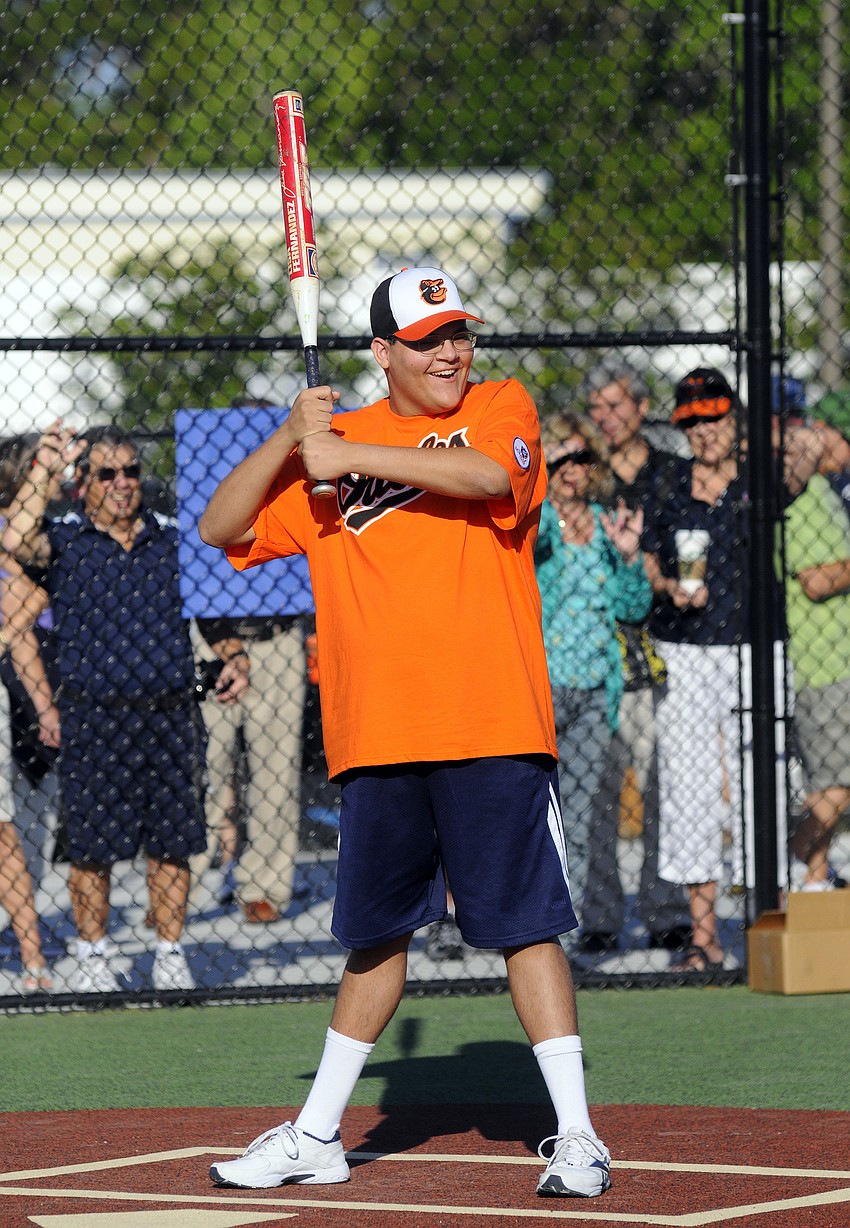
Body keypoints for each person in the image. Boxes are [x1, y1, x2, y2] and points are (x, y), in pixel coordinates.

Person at [200, 266, 611, 1199]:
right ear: (383, 352)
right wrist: (294, 437)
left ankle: (578, 1135)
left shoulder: (502, 404)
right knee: (377, 937)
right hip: (377, 732)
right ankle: (316, 1135)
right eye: (428, 340)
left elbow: (485, 475)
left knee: (526, 924)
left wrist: (354, 460)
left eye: (458, 333)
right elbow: (221, 525)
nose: (451, 352)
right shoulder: (333, 446)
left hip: (489, 716)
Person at [3, 423, 249, 994]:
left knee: (173, 842)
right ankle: (93, 953)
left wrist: (233, 654)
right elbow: (15, 538)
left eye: (131, 471)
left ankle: (168, 951)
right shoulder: (64, 543)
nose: (122, 483)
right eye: (107, 473)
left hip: (169, 714)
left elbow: (209, 614)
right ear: (81, 483)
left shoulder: (171, 540)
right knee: (90, 847)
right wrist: (45, 465)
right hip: (92, 716)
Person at [580, 357, 691, 953]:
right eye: (598, 409)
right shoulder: (587, 476)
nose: (606, 418)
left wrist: (660, 574)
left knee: (657, 788)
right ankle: (599, 915)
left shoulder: (671, 473)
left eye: (617, 406)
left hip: (655, 651)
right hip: (597, 656)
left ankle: (664, 908)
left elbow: (692, 551)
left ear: (642, 409)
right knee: (598, 790)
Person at [641, 368, 748, 973]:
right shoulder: (670, 482)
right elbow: (654, 561)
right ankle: (703, 936)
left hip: (757, 642)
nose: (706, 430)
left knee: (760, 776)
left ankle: (768, 919)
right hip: (683, 645)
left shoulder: (763, 479)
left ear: (735, 417)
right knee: (689, 785)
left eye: (715, 417)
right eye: (694, 421)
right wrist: (667, 587)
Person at [535, 410, 651, 934]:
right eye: (562, 456)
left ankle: (564, 932)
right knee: (518, 816)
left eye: (582, 456)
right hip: (536, 688)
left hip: (591, 694)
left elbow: (633, 607)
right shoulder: (533, 521)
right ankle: (497, 923)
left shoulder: (609, 524)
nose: (572, 468)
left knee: (577, 820)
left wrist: (628, 558)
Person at [192, 611, 307, 923]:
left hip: (278, 636)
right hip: (211, 632)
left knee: (277, 772)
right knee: (204, 769)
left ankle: (264, 888)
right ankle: (178, 885)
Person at [0, 435, 60, 994]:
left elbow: (20, 620)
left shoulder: (30, 539)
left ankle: (32, 958)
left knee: (6, 833)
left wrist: (43, 705)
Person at [781, 464, 850, 889]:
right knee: (834, 782)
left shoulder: (825, 489)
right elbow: (816, 580)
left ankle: (813, 876)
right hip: (822, 665)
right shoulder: (795, 502)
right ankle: (791, 860)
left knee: (832, 781)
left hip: (840, 657)